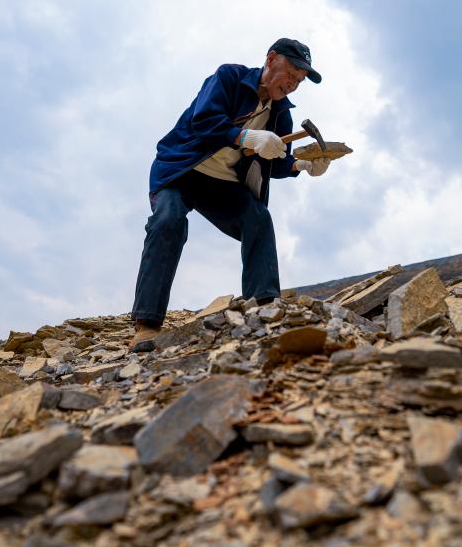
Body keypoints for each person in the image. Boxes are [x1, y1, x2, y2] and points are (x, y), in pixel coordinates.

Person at [128, 38, 331, 352]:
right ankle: (147, 325)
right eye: (291, 71)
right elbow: (203, 123)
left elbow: (275, 162)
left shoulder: (280, 116)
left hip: (221, 185)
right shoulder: (229, 78)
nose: (292, 83)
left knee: (258, 219)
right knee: (168, 221)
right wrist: (247, 136)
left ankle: (264, 309)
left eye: (299, 80)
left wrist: (301, 165)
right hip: (179, 171)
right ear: (271, 58)